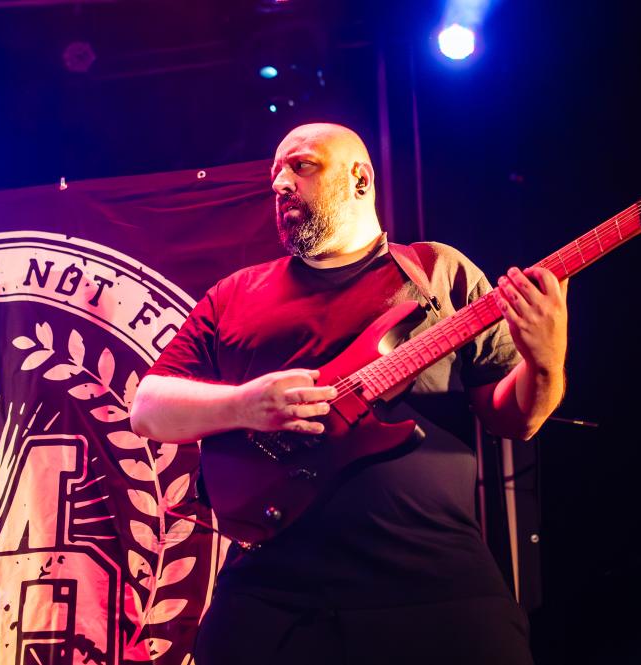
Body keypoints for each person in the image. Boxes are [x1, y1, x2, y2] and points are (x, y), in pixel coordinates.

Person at [130, 123, 568, 665]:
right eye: (275, 174)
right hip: (270, 595)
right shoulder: (234, 294)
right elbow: (147, 408)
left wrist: (545, 363)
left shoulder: (438, 273)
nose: (280, 184)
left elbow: (515, 420)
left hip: (438, 588)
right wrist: (244, 405)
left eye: (301, 166)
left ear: (360, 178)